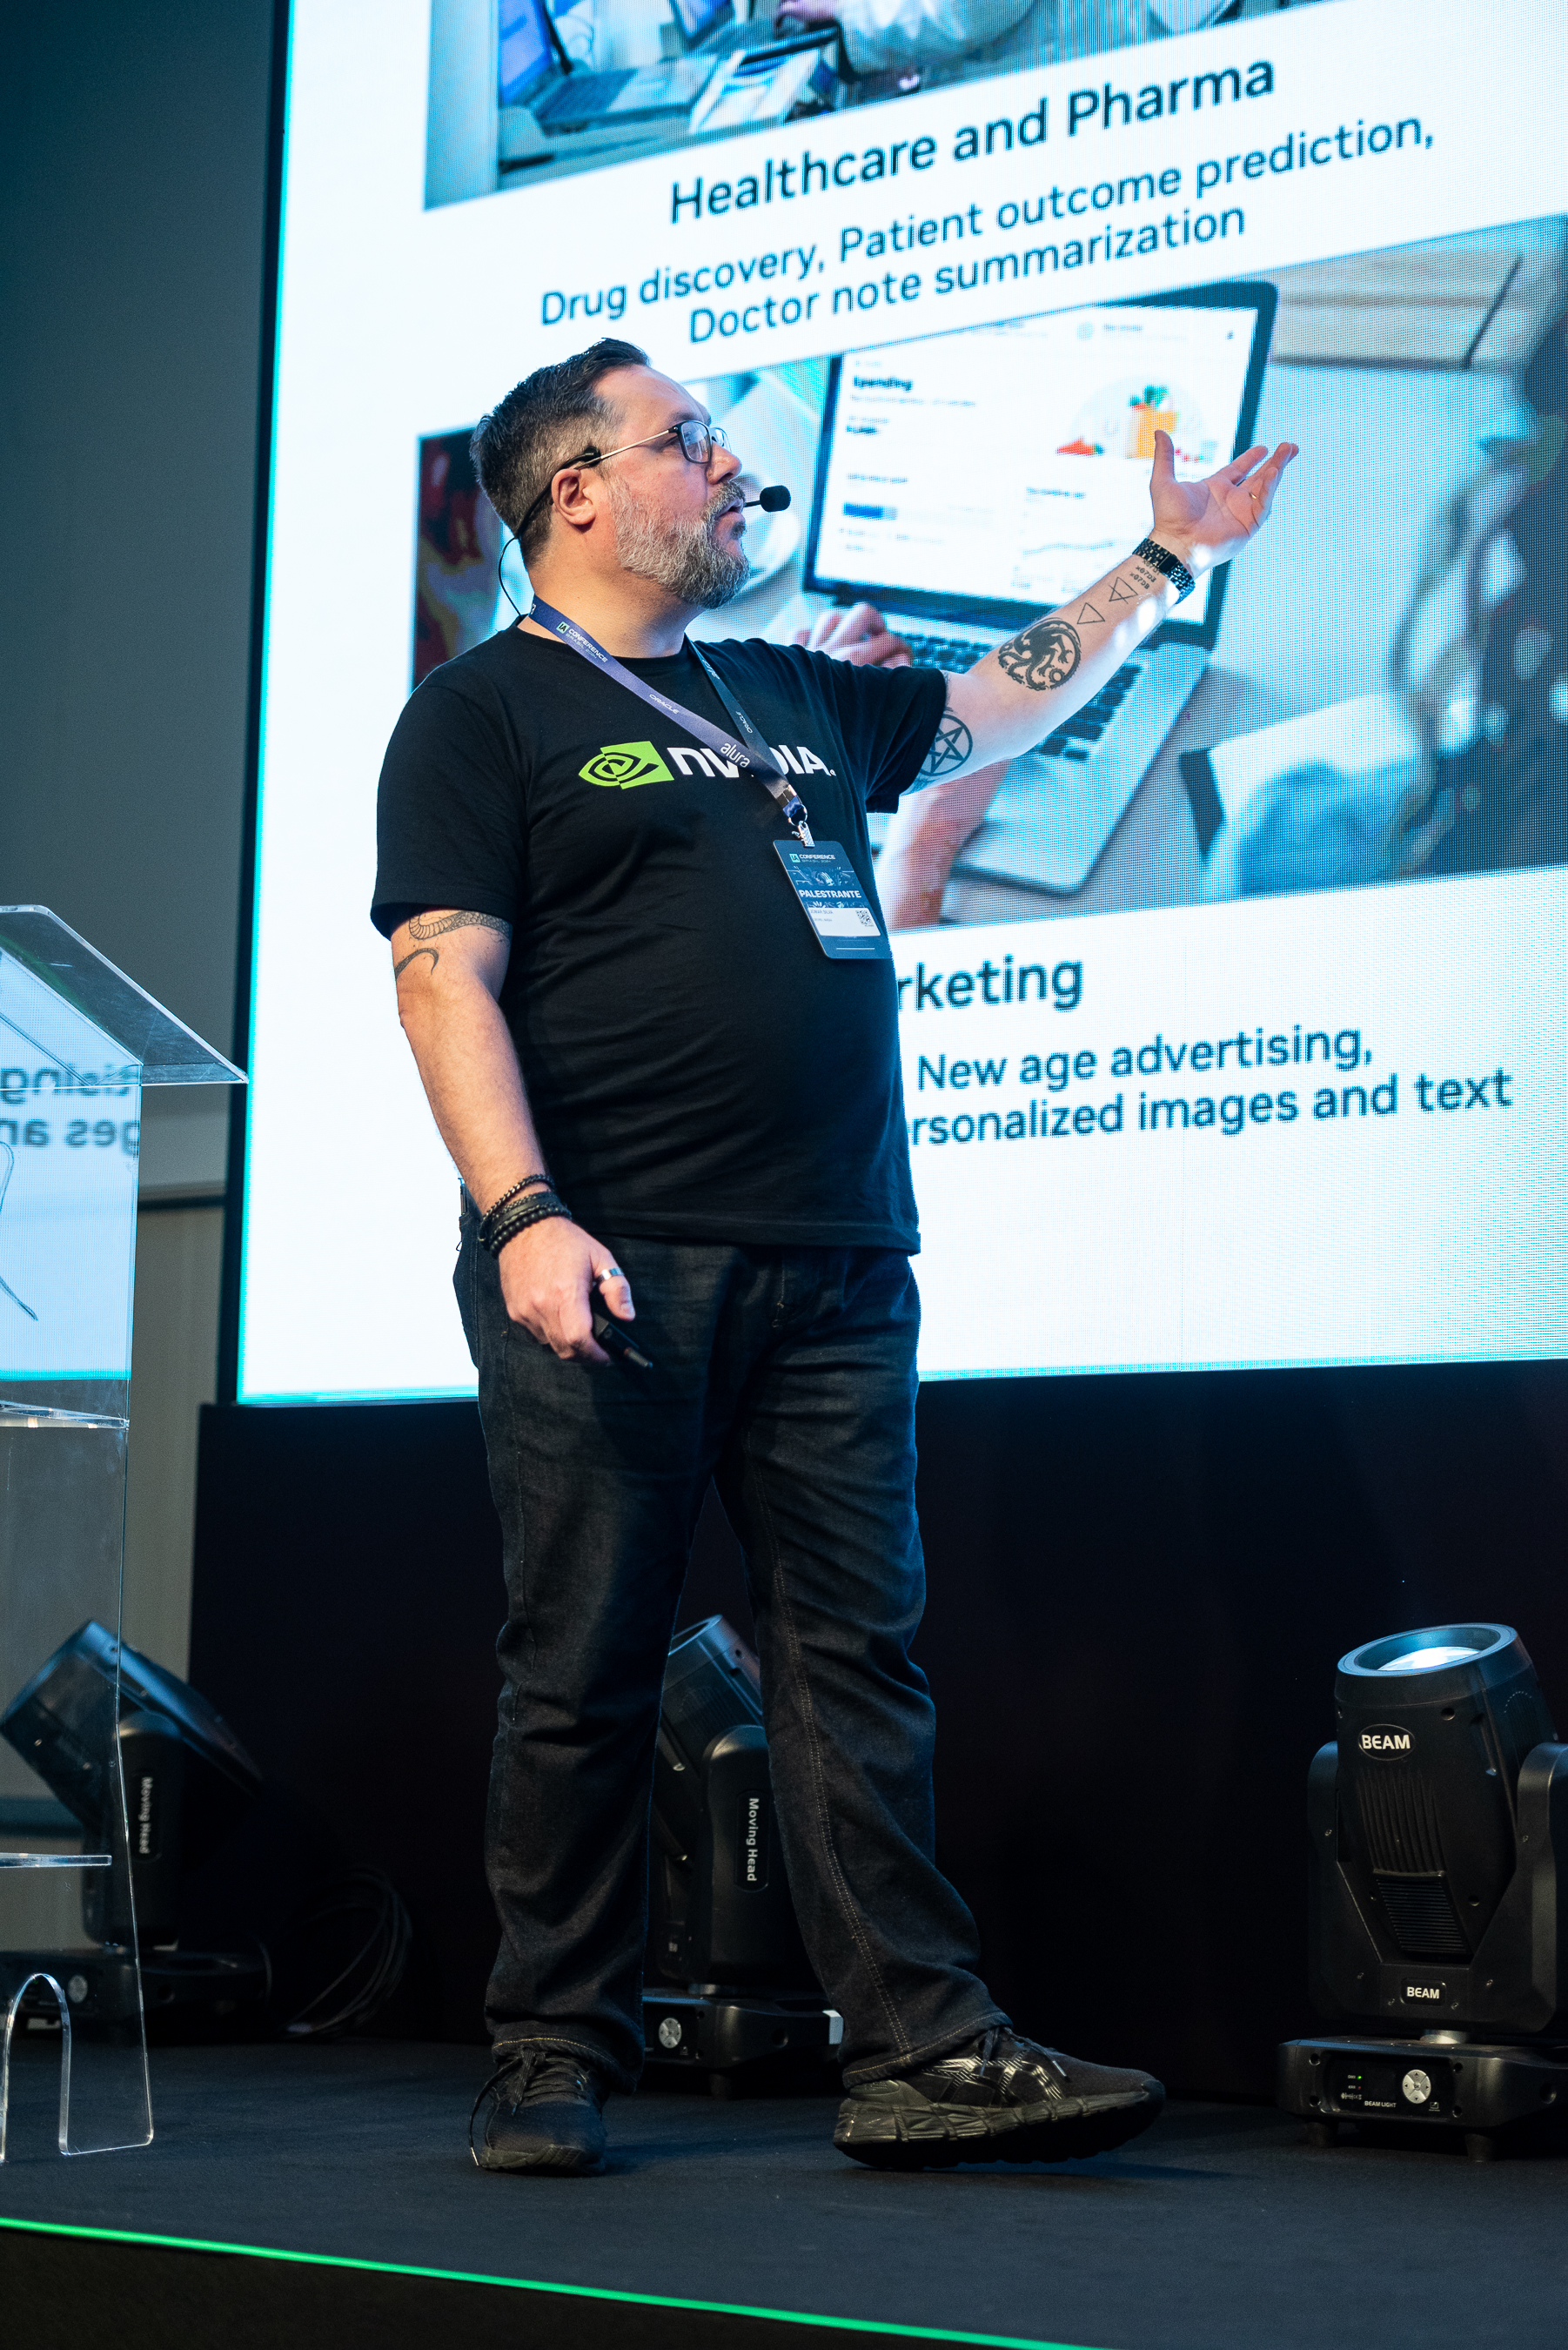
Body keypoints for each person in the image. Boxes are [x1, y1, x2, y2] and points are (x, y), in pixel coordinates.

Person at [372, 335, 1296, 2177]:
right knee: (584, 1664)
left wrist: (1160, 562)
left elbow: (990, 709)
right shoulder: (482, 715)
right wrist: (524, 1216)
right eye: (687, 441)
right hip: (613, 1266)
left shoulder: (785, 691)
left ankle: (921, 2051)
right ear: (578, 490)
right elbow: (438, 973)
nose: (727, 468)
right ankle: (551, 2050)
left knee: (854, 1658)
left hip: (839, 1262)